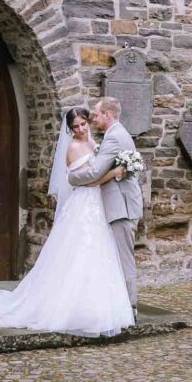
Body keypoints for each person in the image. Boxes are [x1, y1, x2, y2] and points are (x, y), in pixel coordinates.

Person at [0, 107, 134, 337]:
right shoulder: (72, 148)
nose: (81, 129)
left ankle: (95, 306)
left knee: (101, 254)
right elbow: (87, 182)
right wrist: (113, 174)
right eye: (76, 127)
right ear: (70, 130)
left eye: (84, 124)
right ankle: (67, 307)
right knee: (79, 252)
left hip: (99, 205)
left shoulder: (94, 143)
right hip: (84, 203)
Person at [67, 97, 143, 318]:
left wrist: (71, 178)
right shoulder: (119, 133)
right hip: (121, 204)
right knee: (117, 258)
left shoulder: (113, 139)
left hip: (121, 207)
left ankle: (130, 308)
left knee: (123, 259)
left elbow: (93, 172)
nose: (93, 119)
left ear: (108, 115)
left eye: (97, 115)